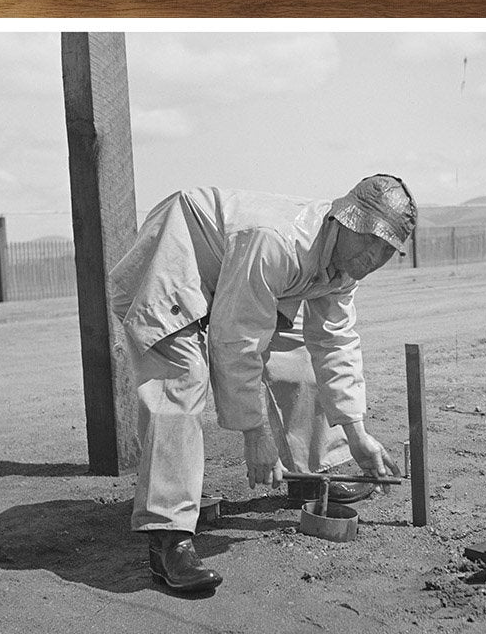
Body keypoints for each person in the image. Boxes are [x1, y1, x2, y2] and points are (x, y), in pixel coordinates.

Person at [109, 174, 417, 593]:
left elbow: (334, 342)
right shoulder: (278, 241)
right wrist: (256, 433)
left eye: (386, 249)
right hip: (174, 260)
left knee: (297, 358)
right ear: (344, 220)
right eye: (369, 240)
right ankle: (169, 537)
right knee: (181, 382)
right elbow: (236, 339)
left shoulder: (345, 266)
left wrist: (357, 432)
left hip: (235, 277)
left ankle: (310, 474)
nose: (373, 257)